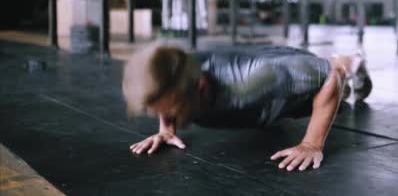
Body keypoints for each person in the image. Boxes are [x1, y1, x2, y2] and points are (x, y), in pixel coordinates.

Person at [122, 45, 372, 172]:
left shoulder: (258, 78)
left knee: (336, 73)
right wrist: (166, 130)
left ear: (199, 89)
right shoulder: (179, 74)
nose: (163, 115)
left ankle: (354, 58)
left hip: (291, 82)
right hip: (263, 89)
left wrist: (311, 144)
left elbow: (330, 77)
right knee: (338, 93)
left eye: (170, 111)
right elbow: (166, 87)